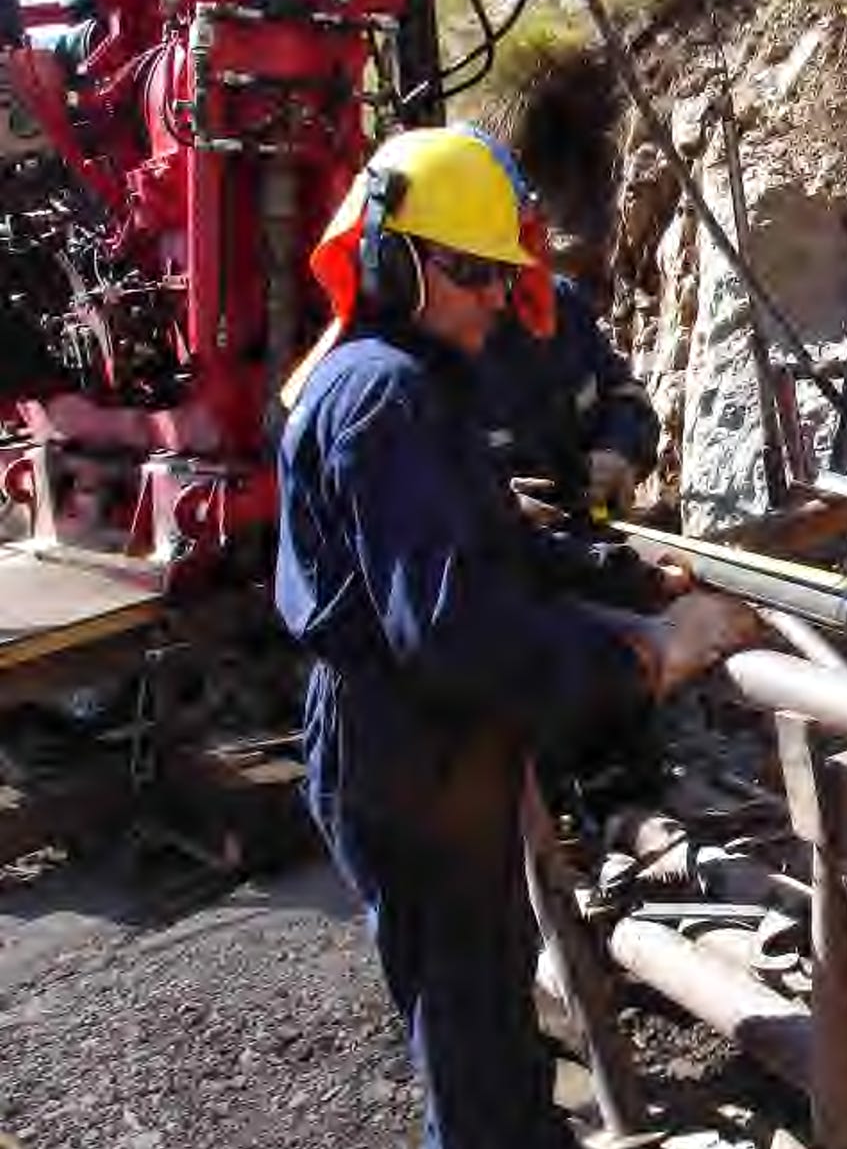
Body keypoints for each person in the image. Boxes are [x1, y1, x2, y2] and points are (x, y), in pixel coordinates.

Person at [275, 126, 758, 1149]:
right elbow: (454, 627)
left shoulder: (408, 378)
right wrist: (645, 654)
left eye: (504, 273)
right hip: (408, 741)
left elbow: (489, 543)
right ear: (393, 260)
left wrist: (624, 576)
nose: (500, 297)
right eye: (475, 272)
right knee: (469, 1015)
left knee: (485, 982)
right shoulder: (385, 396)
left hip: (421, 735)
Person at [456, 123, 661, 522]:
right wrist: (491, 510)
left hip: (590, 543)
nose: (497, 290)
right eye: (473, 263)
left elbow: (627, 397)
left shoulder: (561, 308)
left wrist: (618, 452)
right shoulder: (415, 359)